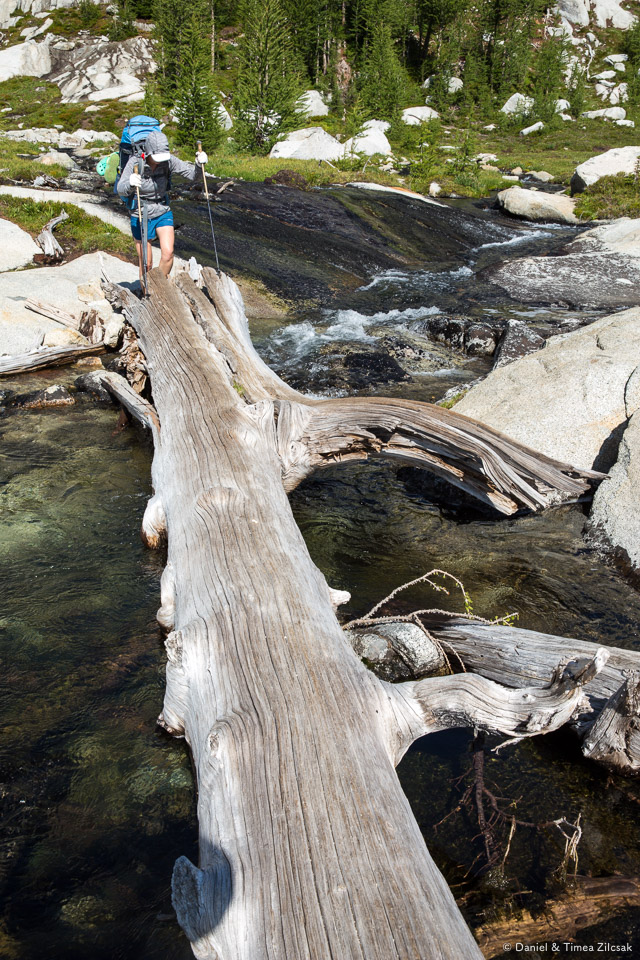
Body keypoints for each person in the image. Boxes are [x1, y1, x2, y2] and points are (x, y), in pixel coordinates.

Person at [117, 129, 208, 282]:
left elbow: (193, 176)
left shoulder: (168, 160)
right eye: (156, 157)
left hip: (162, 209)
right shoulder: (135, 162)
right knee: (147, 262)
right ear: (148, 152)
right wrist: (131, 183)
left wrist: (199, 165)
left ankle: (159, 288)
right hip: (140, 212)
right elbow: (121, 189)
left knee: (168, 254)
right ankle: (146, 293)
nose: (160, 160)